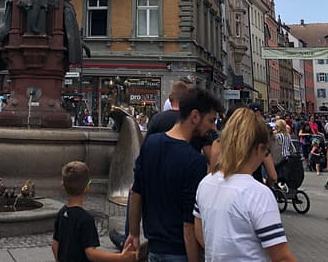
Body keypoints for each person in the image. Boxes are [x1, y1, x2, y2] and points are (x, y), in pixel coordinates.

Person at [125, 87, 223, 261]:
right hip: (180, 251)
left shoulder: (151, 144)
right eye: (211, 120)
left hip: (154, 249)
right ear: (195, 116)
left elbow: (136, 193)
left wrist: (133, 234)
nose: (213, 127)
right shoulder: (195, 161)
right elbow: (188, 226)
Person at [194, 107, 297, 262]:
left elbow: (200, 233)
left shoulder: (205, 183)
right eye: (266, 151)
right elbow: (281, 257)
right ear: (259, 148)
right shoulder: (258, 194)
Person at [51, 161, 136, 262]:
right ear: (87, 187)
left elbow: (55, 244)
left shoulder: (61, 213)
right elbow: (91, 253)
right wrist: (120, 257)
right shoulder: (86, 219)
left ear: (63, 185)